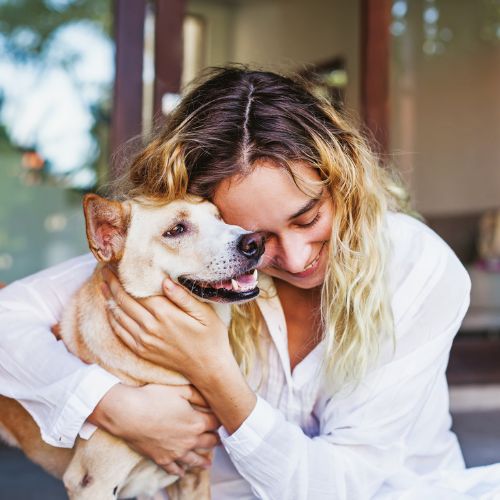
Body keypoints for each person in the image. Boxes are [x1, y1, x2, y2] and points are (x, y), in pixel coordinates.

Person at [1, 65, 499, 500]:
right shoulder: (190, 255)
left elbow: (338, 488)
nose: (298, 258)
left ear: (342, 182)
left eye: (307, 219)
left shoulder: (416, 265)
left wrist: (213, 369)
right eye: (254, 240)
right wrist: (115, 407)